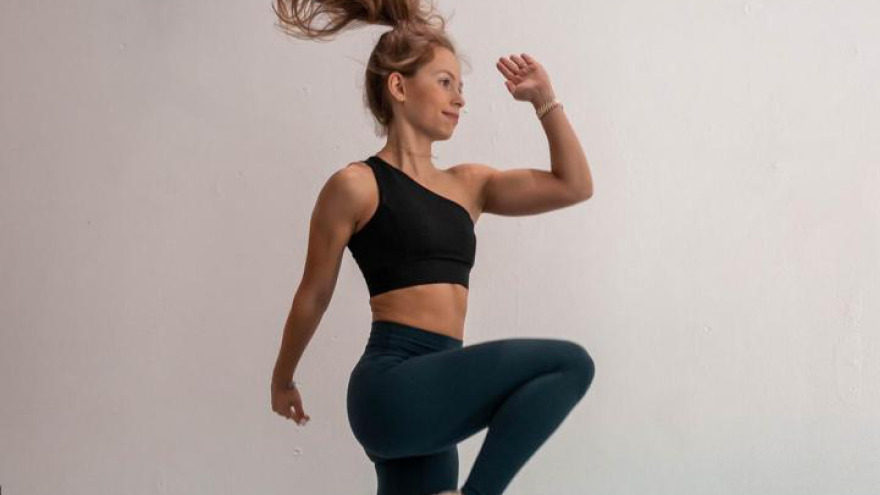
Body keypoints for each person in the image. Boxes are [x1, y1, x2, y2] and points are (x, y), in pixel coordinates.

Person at [269, 1, 595, 494]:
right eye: (445, 83)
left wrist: (544, 100)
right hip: (393, 389)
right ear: (398, 87)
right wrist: (283, 379)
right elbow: (313, 293)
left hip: (436, 393)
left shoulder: (470, 185)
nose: (459, 99)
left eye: (460, 88)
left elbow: (574, 185)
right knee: (569, 363)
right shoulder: (357, 185)